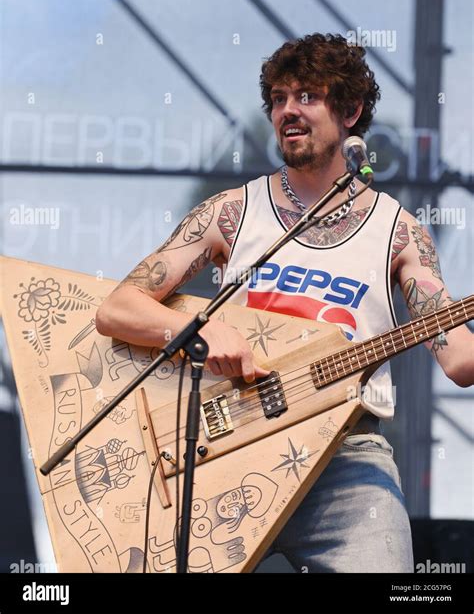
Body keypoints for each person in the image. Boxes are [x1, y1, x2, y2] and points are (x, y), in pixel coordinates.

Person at [96, 33, 473, 572]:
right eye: (278, 99)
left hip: (349, 463)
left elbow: (458, 360)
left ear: (351, 110)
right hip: (230, 449)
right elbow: (118, 309)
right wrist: (197, 332)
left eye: (307, 97)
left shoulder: (400, 233)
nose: (287, 112)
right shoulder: (232, 211)